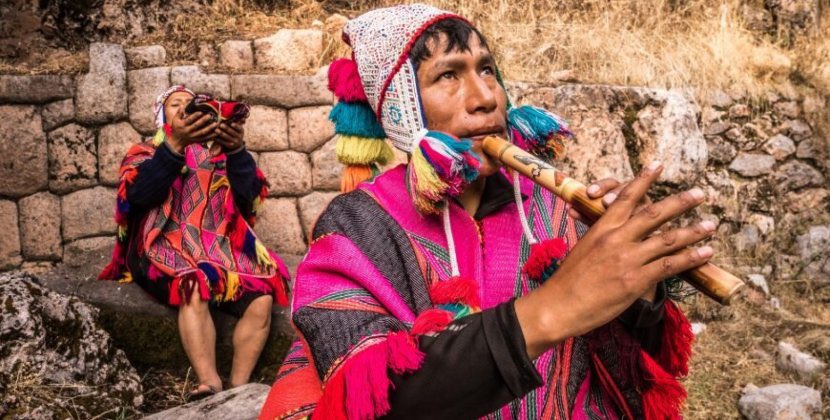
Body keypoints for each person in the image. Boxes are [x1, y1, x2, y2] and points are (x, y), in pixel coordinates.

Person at [261, 4, 709, 419]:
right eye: (448, 76)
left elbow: (626, 363)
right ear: (403, 109)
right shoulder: (356, 224)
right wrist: (554, 309)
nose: (485, 98)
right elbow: (373, 398)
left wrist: (640, 284)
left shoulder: (556, 209)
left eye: (487, 70)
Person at [99, 85, 290, 401]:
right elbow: (138, 197)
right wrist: (175, 146)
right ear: (163, 119)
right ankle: (210, 383)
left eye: (192, 105)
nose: (185, 109)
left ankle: (240, 389)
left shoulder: (220, 158)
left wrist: (237, 150)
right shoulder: (144, 153)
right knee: (193, 283)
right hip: (161, 245)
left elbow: (248, 199)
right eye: (176, 105)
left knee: (262, 297)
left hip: (216, 249)